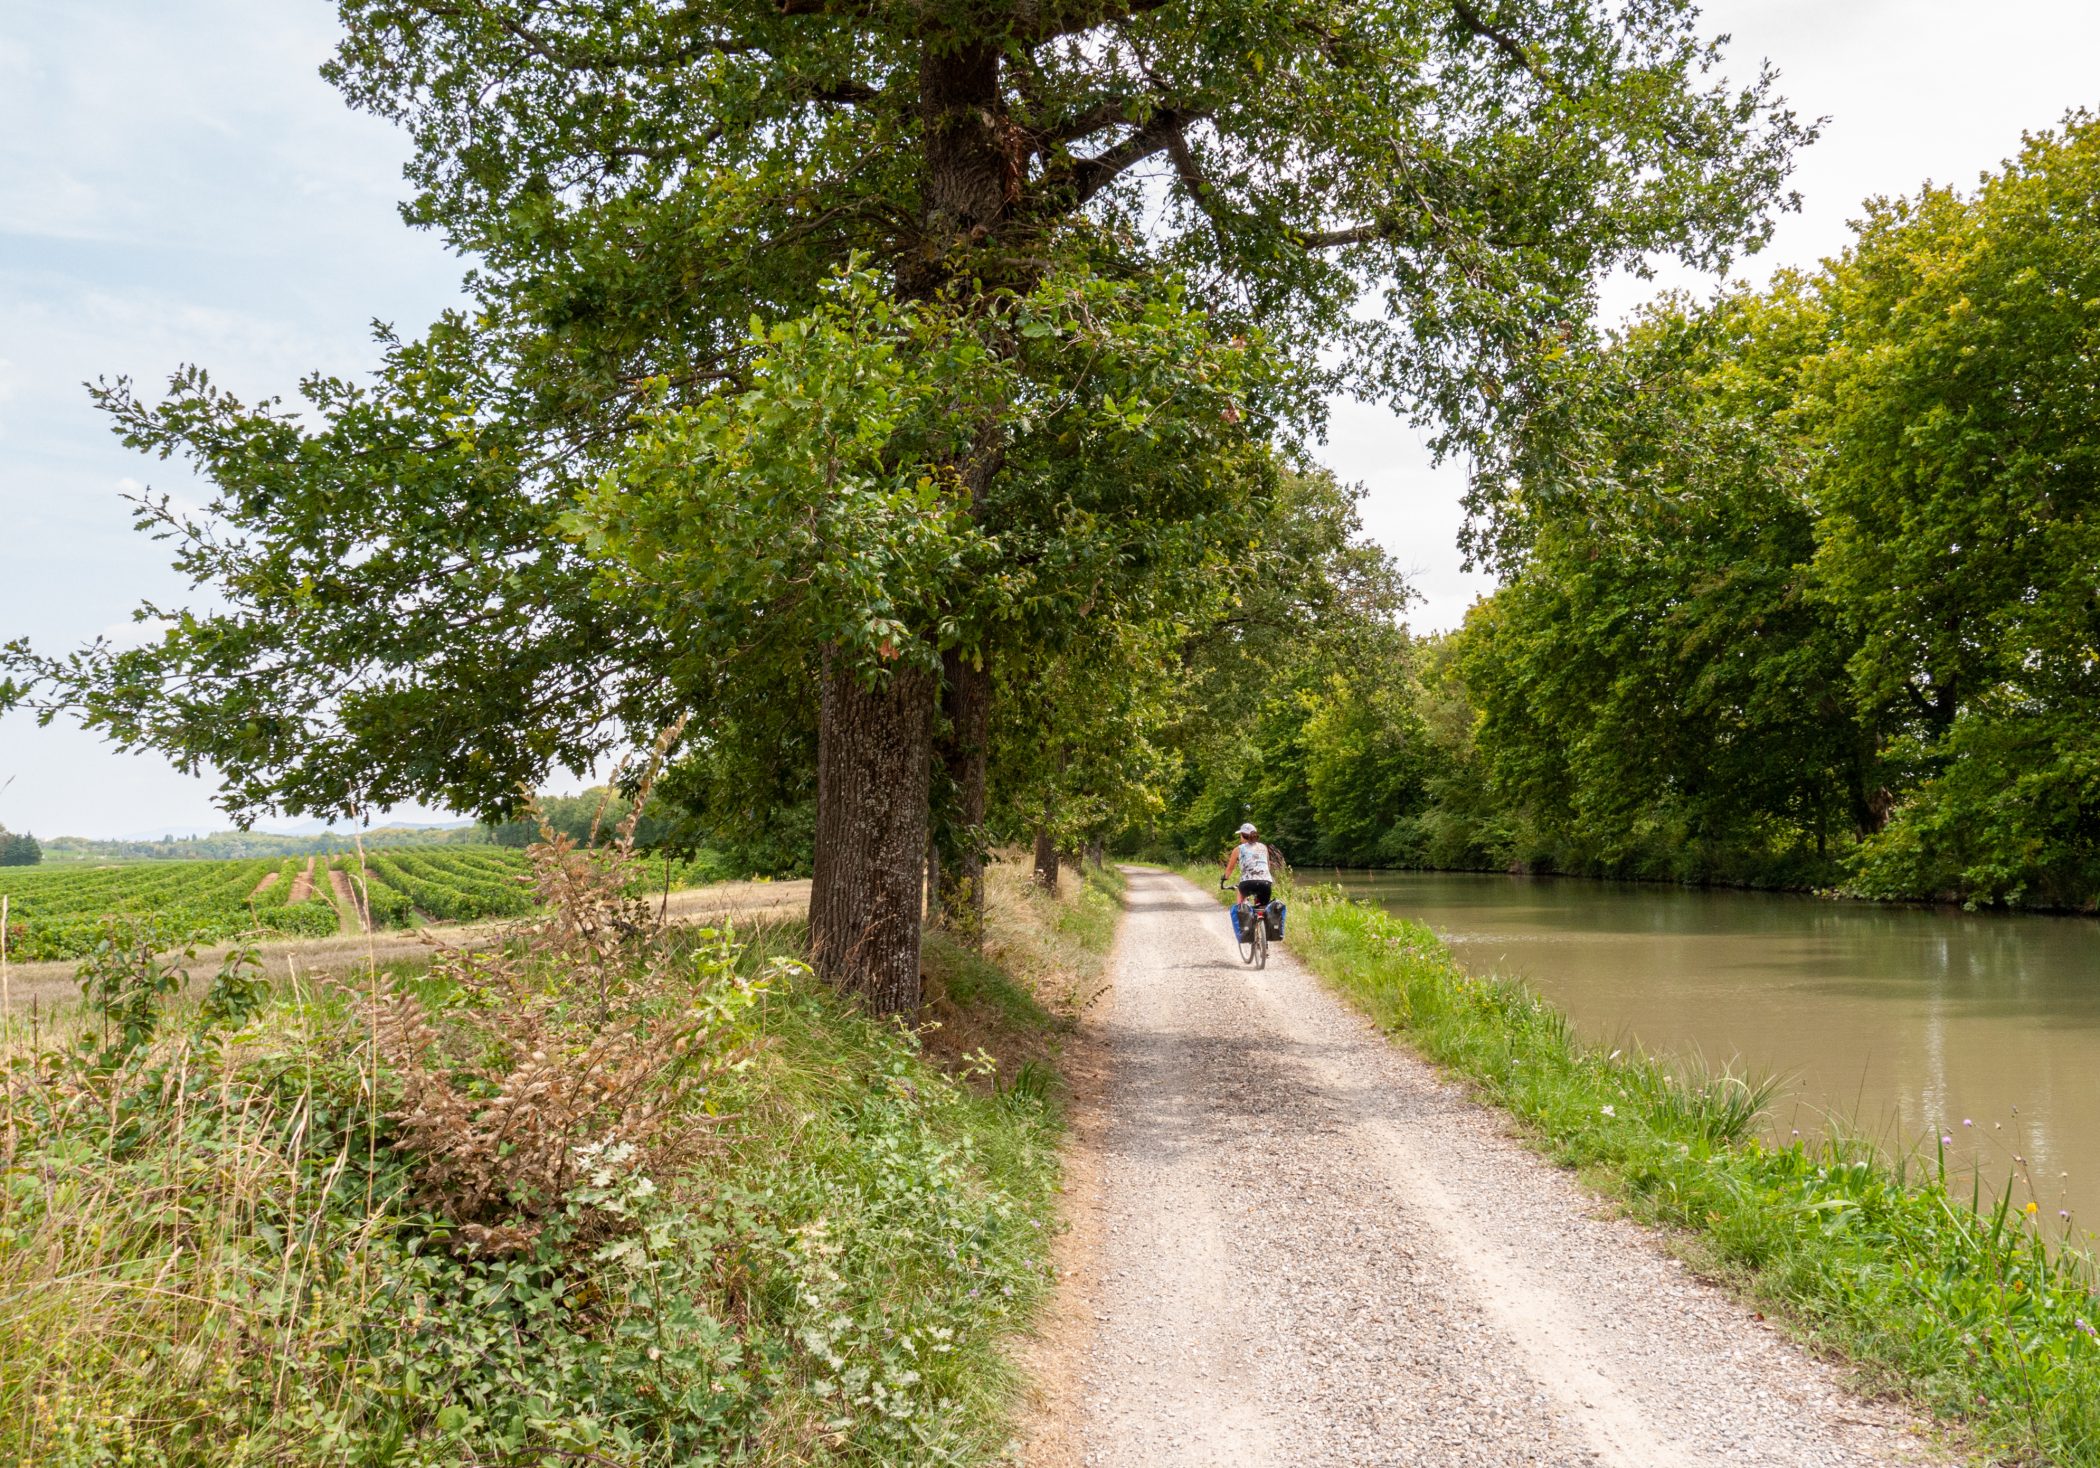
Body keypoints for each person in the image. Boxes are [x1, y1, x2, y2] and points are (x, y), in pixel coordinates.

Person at [1221, 822, 1280, 908]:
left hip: (1247, 883)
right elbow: (1267, 866)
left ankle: (1241, 913)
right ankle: (1263, 918)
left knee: (1241, 902)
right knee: (1263, 908)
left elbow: (1230, 868)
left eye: (1240, 835)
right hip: (1266, 883)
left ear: (1242, 835)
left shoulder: (1238, 849)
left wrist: (1224, 878)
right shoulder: (1263, 847)